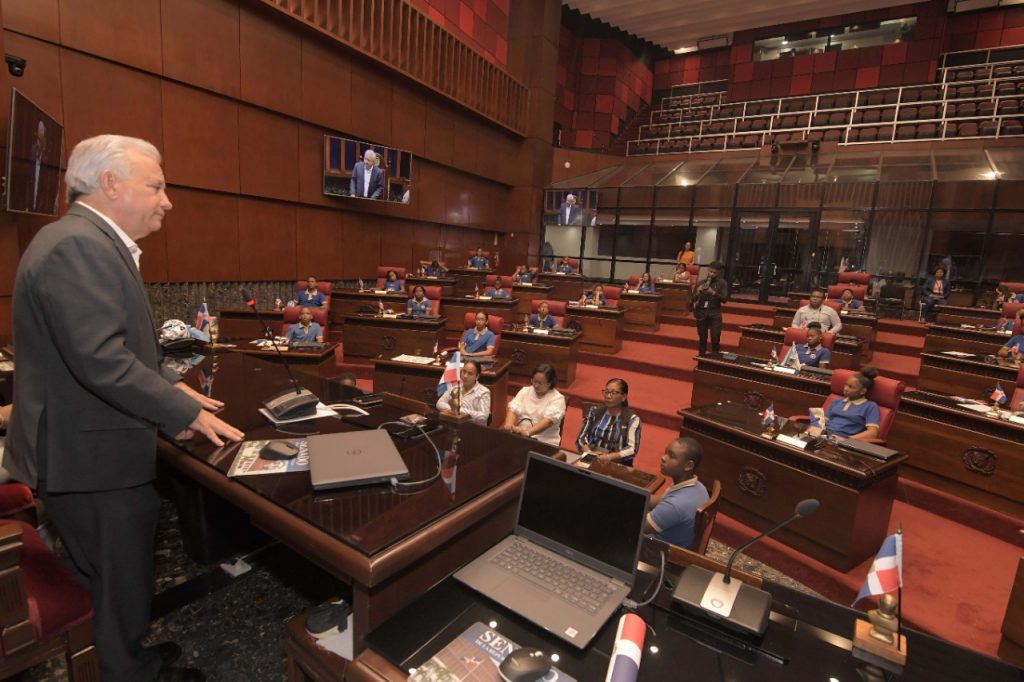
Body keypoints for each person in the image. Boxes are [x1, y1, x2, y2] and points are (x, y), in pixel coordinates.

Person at [6, 134, 244, 682]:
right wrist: (182, 413)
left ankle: (123, 656)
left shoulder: (84, 240)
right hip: (90, 458)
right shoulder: (77, 246)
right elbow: (100, 360)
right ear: (110, 183)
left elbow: (118, 346)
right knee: (119, 576)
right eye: (156, 185)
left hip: (84, 450)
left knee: (106, 574)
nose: (168, 200)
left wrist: (169, 385)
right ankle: (128, 672)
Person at [644, 438, 709, 550]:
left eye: (671, 456)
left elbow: (638, 526)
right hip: (679, 541)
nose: (663, 458)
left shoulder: (675, 505)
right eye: (666, 452)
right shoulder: (698, 486)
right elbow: (657, 500)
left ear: (688, 465)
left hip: (662, 553)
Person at [575, 379, 642, 465]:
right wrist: (589, 453)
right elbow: (581, 438)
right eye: (606, 392)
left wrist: (608, 457)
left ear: (624, 397)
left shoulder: (632, 419)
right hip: (590, 457)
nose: (608, 396)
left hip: (617, 464)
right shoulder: (594, 412)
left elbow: (632, 449)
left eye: (613, 393)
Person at [503, 364, 566, 446]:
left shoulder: (557, 399)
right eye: (534, 381)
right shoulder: (525, 391)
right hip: (520, 437)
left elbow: (547, 422)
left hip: (544, 441)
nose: (536, 385)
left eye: (540, 383)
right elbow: (513, 409)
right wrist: (509, 426)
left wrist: (527, 432)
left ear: (550, 383)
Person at [822, 367, 882, 440]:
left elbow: (872, 433)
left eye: (851, 387)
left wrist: (847, 441)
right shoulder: (836, 401)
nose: (845, 389)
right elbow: (822, 422)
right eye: (846, 385)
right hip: (825, 435)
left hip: (844, 440)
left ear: (863, 391)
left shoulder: (870, 406)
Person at [436, 360, 490, 425]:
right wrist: (454, 409)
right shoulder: (455, 388)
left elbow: (483, 416)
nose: (465, 376)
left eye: (470, 373)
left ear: (477, 376)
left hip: (474, 430)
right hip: (454, 427)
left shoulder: (484, 392)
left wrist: (458, 410)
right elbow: (439, 404)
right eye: (464, 371)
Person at [694, 261, 728, 355]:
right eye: (710, 271)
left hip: (715, 313)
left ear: (718, 273)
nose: (711, 274)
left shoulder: (722, 283)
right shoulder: (701, 282)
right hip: (701, 312)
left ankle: (715, 360)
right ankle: (701, 360)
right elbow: (692, 299)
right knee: (702, 339)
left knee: (715, 338)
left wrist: (713, 292)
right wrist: (697, 292)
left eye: (714, 272)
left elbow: (724, 299)